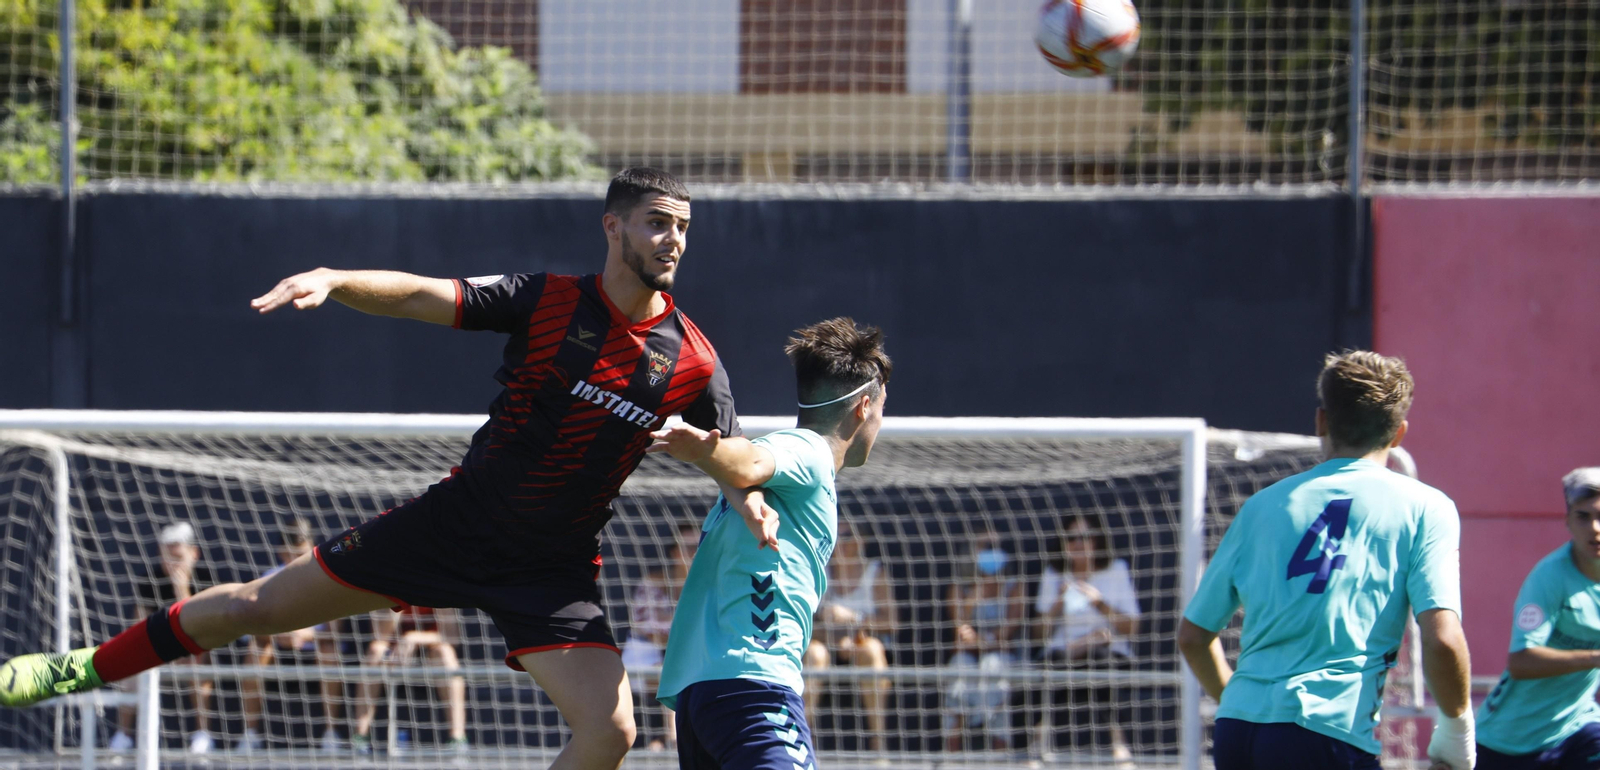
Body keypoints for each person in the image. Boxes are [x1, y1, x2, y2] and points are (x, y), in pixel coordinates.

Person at [0, 167, 761, 770]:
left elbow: (742, 458)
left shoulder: (693, 360)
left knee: (611, 735)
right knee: (251, 608)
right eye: (658, 222)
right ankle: (79, 670)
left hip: (550, 571)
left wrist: (735, 482)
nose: (673, 240)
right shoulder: (548, 301)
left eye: (684, 228)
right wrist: (336, 277)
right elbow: (425, 297)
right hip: (448, 528)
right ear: (614, 225)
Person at [1177, 350, 1475, 770]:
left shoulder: (1261, 507)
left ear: (1321, 421)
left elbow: (1193, 636)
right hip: (1325, 733)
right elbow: (1442, 639)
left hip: (1238, 732)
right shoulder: (1426, 507)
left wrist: (1241, 704)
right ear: (1399, 434)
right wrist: (1458, 733)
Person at [649, 317, 892, 770]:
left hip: (703, 693)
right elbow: (753, 458)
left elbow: (748, 467)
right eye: (882, 408)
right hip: (753, 683)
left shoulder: (754, 495)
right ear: (863, 407)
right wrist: (707, 450)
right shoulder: (810, 450)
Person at [1474, 467, 1600, 770]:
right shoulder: (1549, 578)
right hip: (1510, 741)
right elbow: (1522, 661)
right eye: (1583, 517)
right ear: (1567, 521)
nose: (1595, 528)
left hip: (1577, 725)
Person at [1030, 511, 1140, 763]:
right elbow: (1038, 634)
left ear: (1097, 540)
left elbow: (1133, 627)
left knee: (1103, 660)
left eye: (1085, 537)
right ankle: (1037, 745)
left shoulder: (1115, 570)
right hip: (1065, 651)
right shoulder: (1054, 574)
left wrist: (1098, 602)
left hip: (1106, 649)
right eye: (1072, 539)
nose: (1078, 544)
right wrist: (1058, 603)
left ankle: (1118, 746)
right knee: (1046, 666)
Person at [239, 517, 348, 754]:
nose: (296, 561)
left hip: (316, 649)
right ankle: (250, 735)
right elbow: (254, 630)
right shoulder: (267, 579)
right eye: (290, 555)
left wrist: (307, 636)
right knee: (256, 651)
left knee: (330, 654)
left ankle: (331, 735)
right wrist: (279, 635)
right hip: (276, 649)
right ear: (281, 553)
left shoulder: (329, 581)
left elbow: (334, 634)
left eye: (301, 554)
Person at [109, 522, 218, 754]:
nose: (172, 564)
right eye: (166, 556)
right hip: (159, 652)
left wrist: (181, 591)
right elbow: (138, 628)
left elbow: (200, 629)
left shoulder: (206, 580)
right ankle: (123, 736)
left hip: (193, 652)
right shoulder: (150, 580)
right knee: (130, 666)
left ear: (193, 554)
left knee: (198, 662)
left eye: (178, 556)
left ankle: (203, 734)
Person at [803, 517, 896, 752]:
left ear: (861, 540)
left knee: (872, 650)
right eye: (836, 537)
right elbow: (803, 622)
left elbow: (892, 623)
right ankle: (802, 737)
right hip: (824, 645)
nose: (840, 544)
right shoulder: (819, 573)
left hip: (861, 646)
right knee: (814, 653)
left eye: (846, 537)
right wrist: (831, 634)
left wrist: (854, 621)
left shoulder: (875, 572)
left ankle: (879, 741)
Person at [943, 525, 1024, 752]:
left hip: (1004, 656)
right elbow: (960, 631)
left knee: (993, 669)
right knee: (960, 670)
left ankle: (999, 753)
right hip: (968, 656)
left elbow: (1009, 631)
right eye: (985, 547)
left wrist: (983, 640)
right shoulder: (960, 587)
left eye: (995, 547)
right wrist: (974, 597)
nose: (990, 551)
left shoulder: (1015, 586)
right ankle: (953, 755)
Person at [350, 606, 468, 754]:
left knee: (446, 654)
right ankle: (360, 738)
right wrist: (396, 607)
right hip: (393, 651)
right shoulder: (384, 587)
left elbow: (452, 636)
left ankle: (457, 739)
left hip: (430, 649)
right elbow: (380, 635)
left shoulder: (438, 586)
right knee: (376, 651)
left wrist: (414, 637)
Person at [621, 522, 696, 751]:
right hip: (643, 657)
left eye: (700, 547)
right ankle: (674, 742)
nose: (696, 553)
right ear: (675, 552)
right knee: (672, 669)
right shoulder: (653, 581)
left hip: (686, 658)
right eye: (690, 548)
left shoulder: (705, 586)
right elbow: (648, 628)